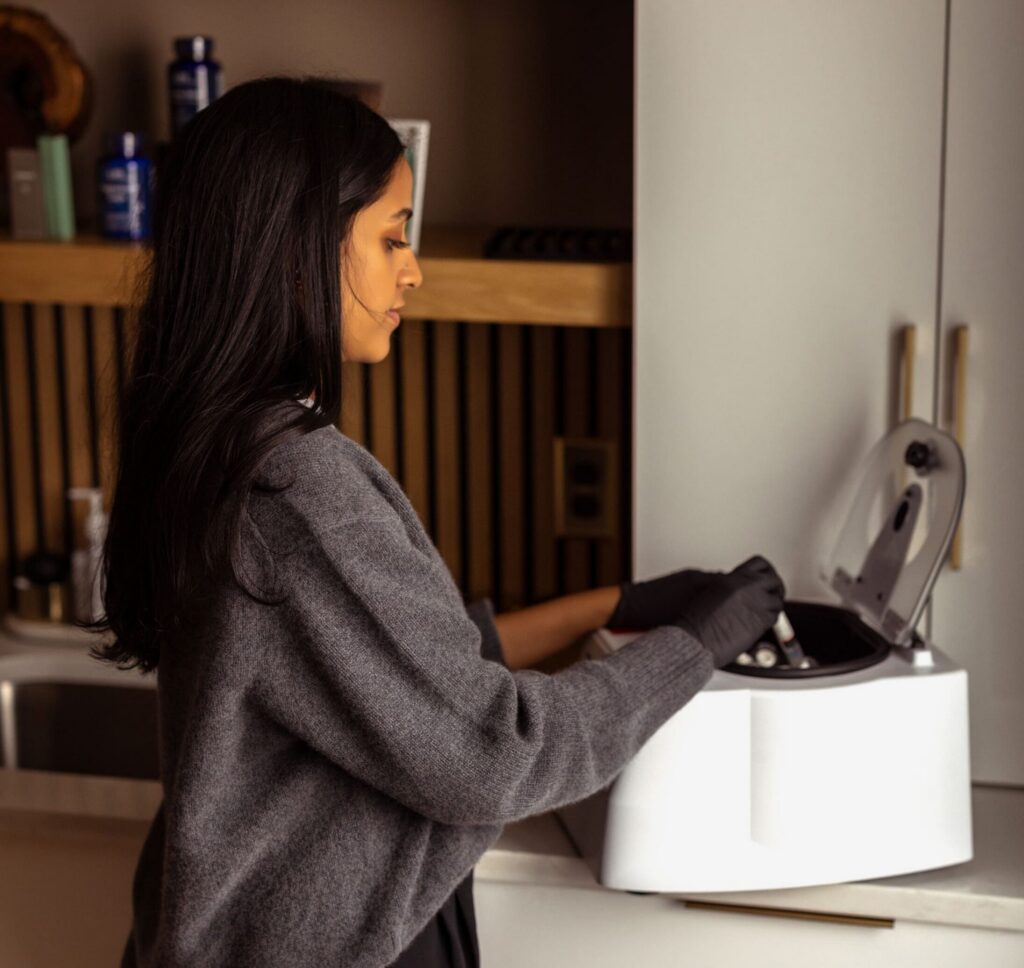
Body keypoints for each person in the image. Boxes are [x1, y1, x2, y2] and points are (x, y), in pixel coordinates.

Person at [84, 76, 785, 967]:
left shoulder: (215, 447)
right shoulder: (300, 492)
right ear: (297, 253)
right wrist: (690, 646)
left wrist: (615, 603)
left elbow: (395, 673)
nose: (412, 267)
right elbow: (495, 754)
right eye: (390, 236)